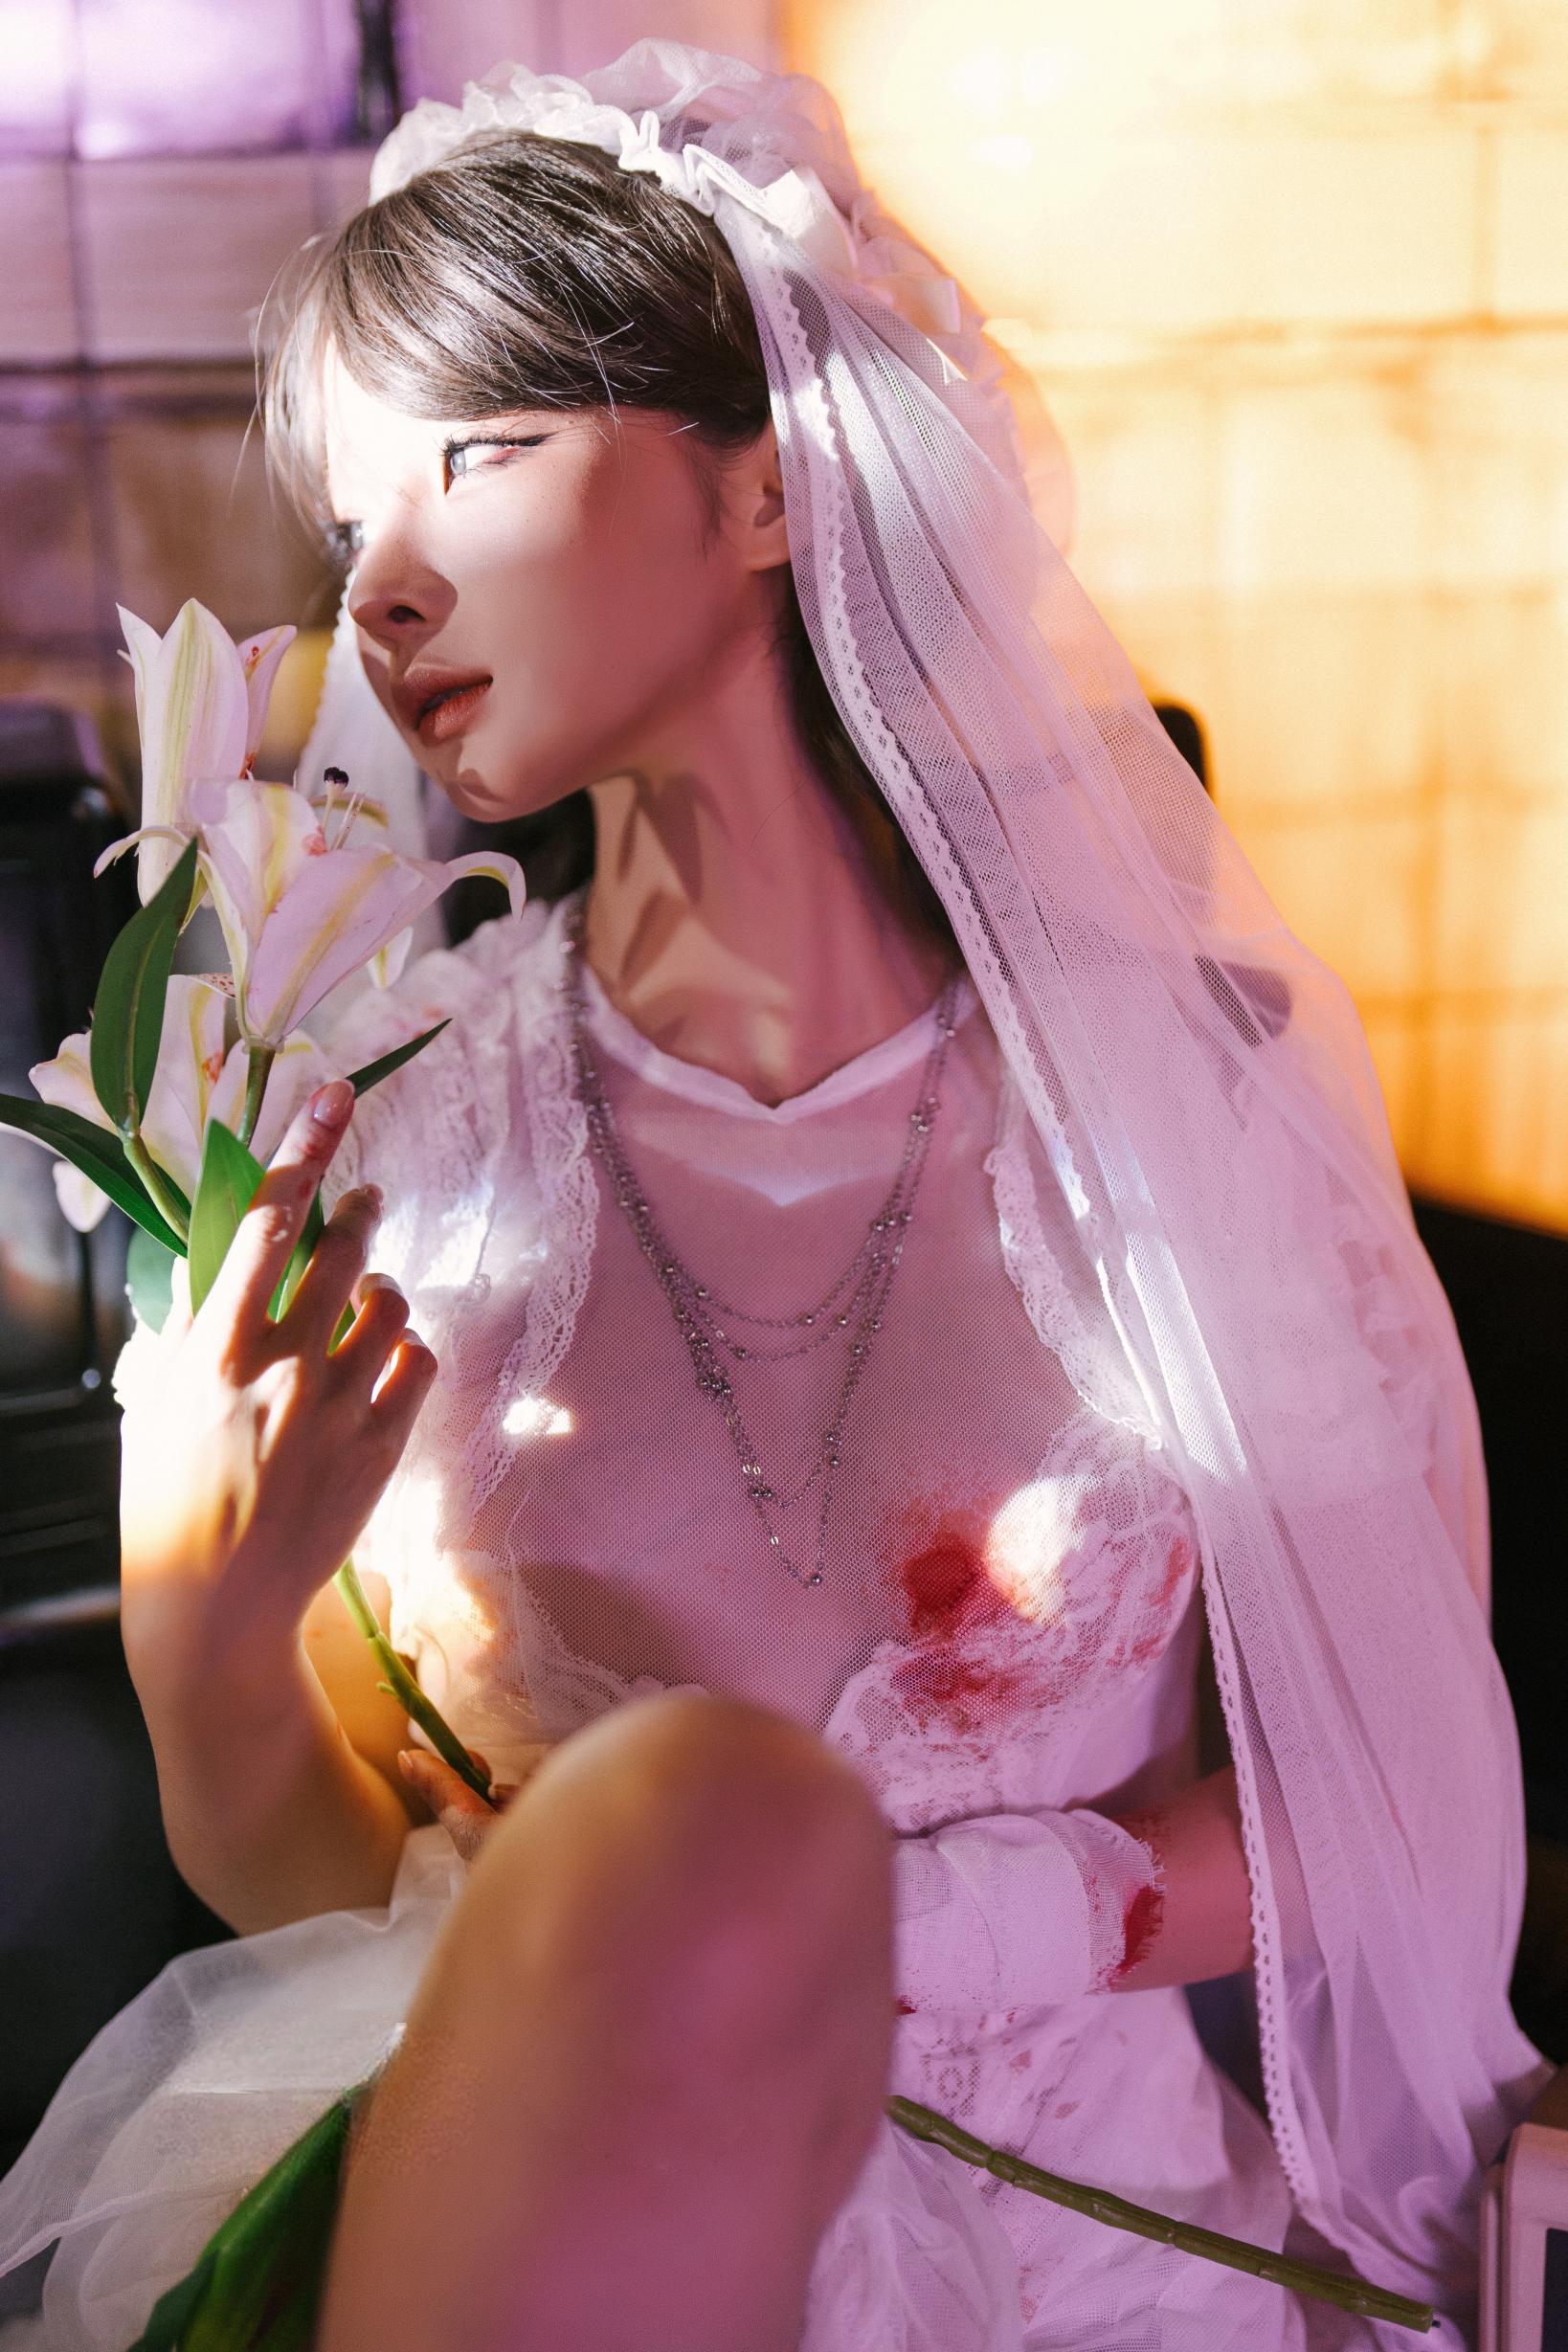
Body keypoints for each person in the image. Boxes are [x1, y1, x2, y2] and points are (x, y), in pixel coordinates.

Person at [0, 39, 1549, 2352]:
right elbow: (339, 1903)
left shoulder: (1177, 1112)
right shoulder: (389, 1143)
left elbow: (1397, 1787)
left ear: (766, 483)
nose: (387, 587)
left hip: (1108, 2273)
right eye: (351, 527)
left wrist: (938, 1935)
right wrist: (211, 1666)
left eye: (480, 457)